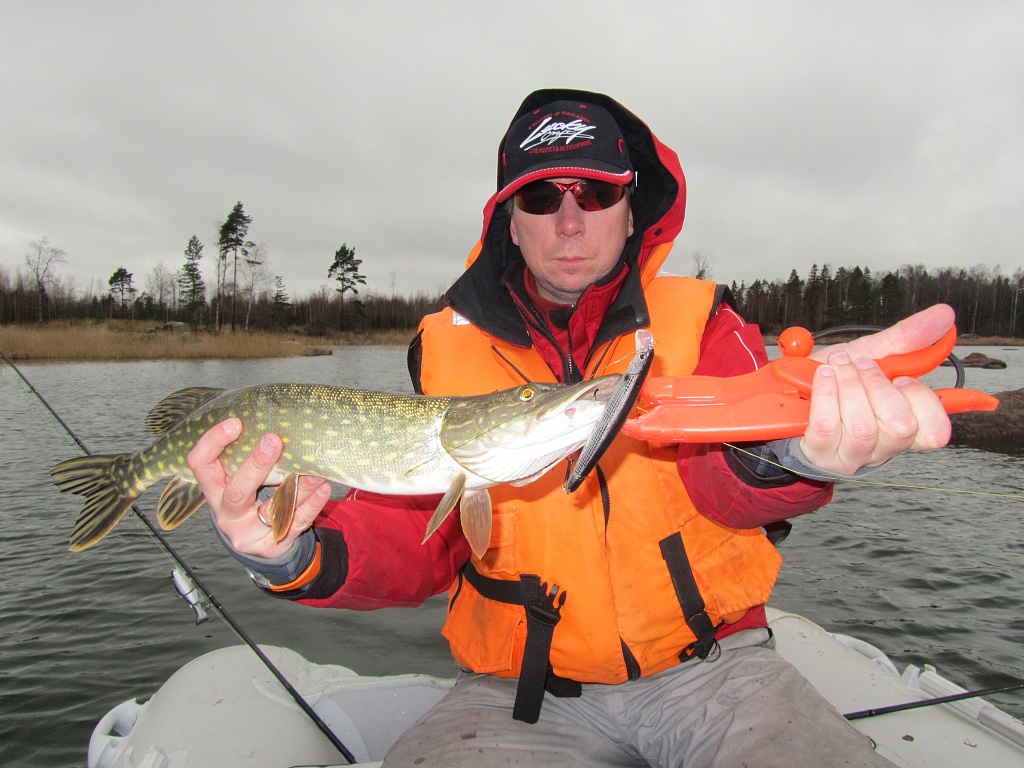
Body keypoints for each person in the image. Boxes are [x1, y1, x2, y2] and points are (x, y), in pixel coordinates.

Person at [189, 89, 953, 767]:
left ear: (632, 209)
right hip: (515, 691)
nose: (568, 220)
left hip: (715, 670)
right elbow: (419, 534)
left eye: (594, 191)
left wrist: (795, 445)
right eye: (539, 196)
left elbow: (723, 480)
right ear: (510, 221)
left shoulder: (702, 321)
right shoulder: (444, 349)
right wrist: (292, 551)